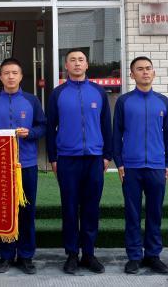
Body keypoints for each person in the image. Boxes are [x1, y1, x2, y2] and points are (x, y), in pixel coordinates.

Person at [46, 49, 111, 275]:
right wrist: (53, 158)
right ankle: (72, 254)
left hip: (94, 158)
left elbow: (106, 125)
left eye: (81, 60)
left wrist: (106, 155)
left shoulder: (98, 92)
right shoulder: (58, 94)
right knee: (70, 208)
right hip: (67, 159)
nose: (76, 63)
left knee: (91, 208)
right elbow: (50, 128)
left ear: (87, 65)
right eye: (72, 60)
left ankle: (89, 254)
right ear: (66, 65)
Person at [0, 58, 46, 275]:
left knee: (27, 211)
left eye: (14, 73)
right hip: (0, 165)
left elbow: (42, 126)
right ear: (0, 77)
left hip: (26, 164)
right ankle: (6, 255)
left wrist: (31, 133)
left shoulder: (32, 100)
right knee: (5, 211)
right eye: (6, 73)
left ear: (21, 76)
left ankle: (26, 256)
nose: (10, 76)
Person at [112, 56, 168, 275]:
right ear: (132, 74)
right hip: (131, 166)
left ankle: (153, 255)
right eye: (140, 69)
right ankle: (134, 256)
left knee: (155, 212)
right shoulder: (124, 101)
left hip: (157, 166)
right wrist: (119, 163)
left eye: (148, 68)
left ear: (154, 73)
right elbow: (116, 133)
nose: (145, 72)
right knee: (132, 213)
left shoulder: (163, 101)